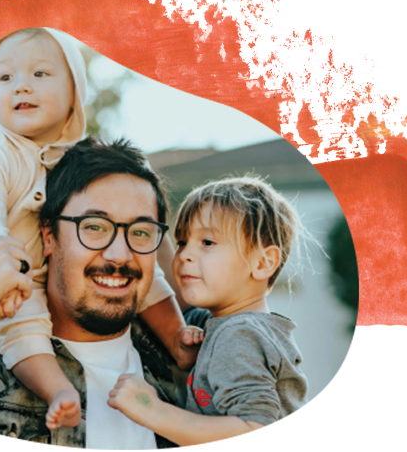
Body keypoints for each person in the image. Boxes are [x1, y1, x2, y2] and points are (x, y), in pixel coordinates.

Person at [0, 138, 202, 449]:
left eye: (141, 232)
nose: (119, 254)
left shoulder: (204, 354)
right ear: (48, 235)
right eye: (94, 227)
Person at [0, 27, 198, 430]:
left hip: (47, 271)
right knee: (21, 328)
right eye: (6, 77)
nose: (21, 88)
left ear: (75, 92)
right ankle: (58, 389)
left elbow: (144, 234)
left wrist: (146, 235)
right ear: (51, 233)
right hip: (10, 281)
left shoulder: (83, 158)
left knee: (145, 270)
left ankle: (176, 336)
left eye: (40, 75)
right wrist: (0, 282)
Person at [108, 176, 310, 446]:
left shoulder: (239, 336)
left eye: (207, 243)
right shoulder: (219, 325)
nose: (184, 255)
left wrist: (151, 410)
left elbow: (255, 430)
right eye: (181, 242)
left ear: (263, 262)